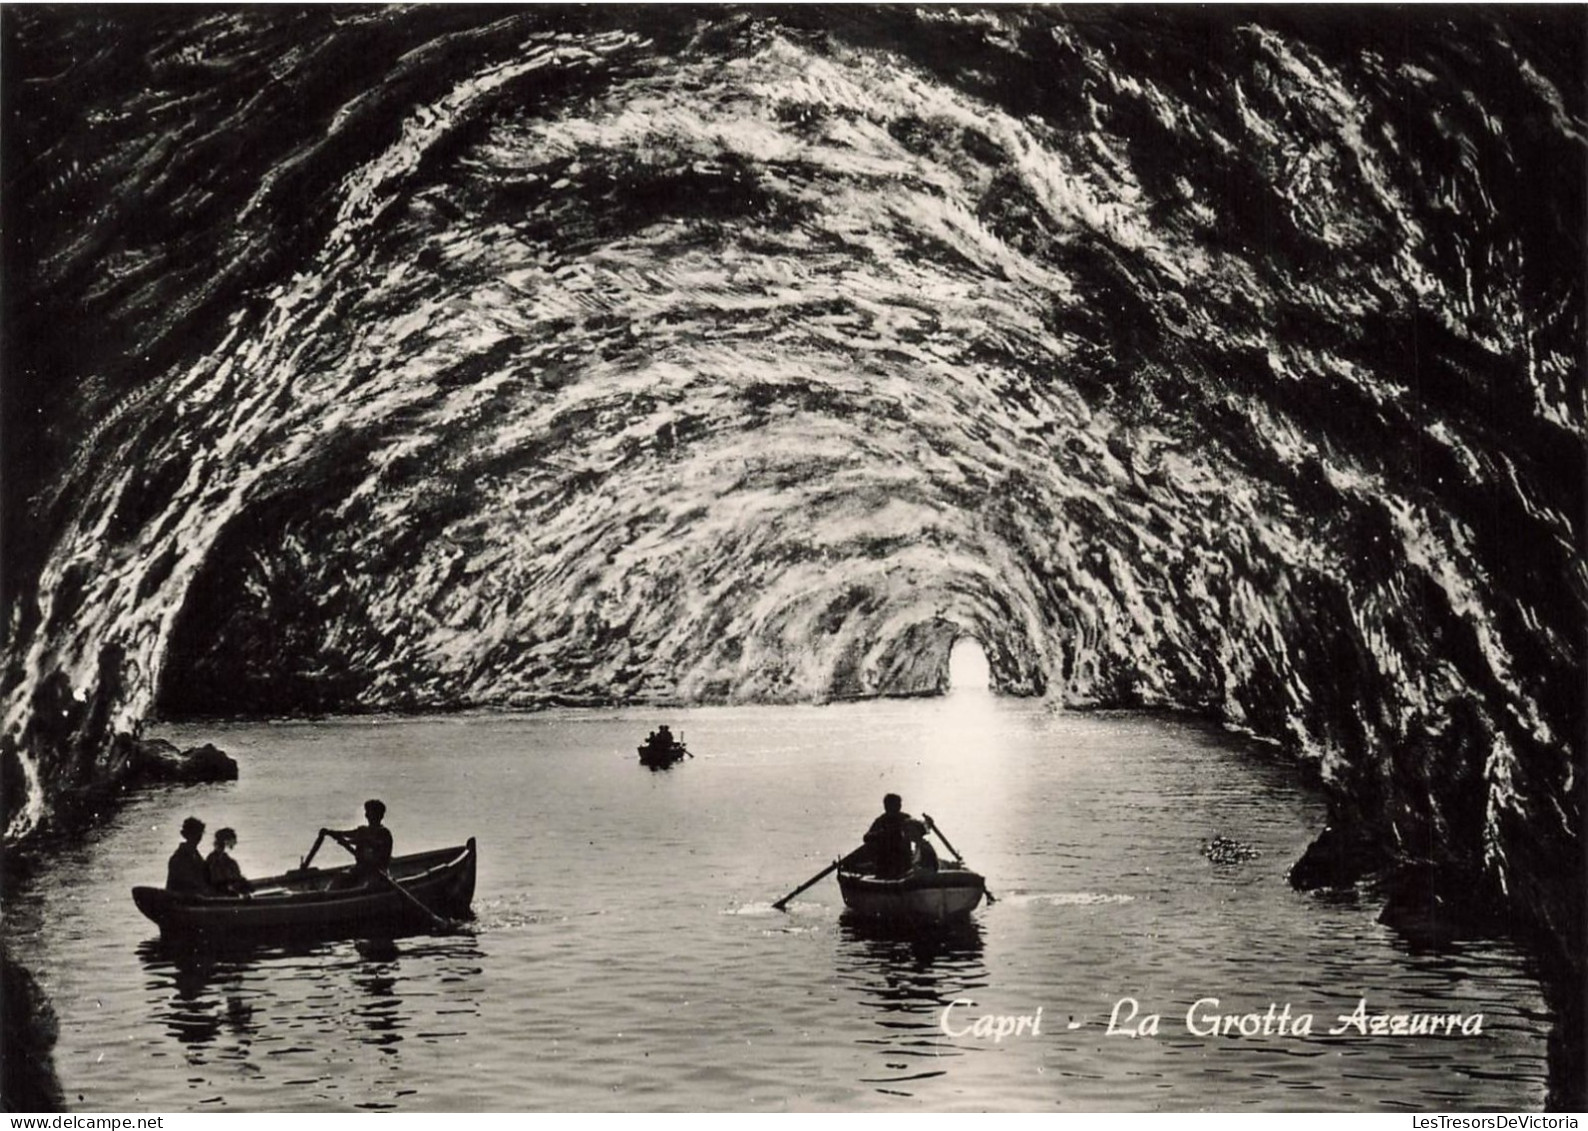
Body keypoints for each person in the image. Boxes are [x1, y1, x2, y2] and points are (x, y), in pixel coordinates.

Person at [322, 799, 394, 889]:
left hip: (378, 872)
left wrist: (349, 842)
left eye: (370, 812)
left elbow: (370, 842)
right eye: (366, 812)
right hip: (361, 869)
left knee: (370, 886)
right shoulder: (363, 830)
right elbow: (347, 834)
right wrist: (330, 832)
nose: (367, 815)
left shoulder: (384, 833)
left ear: (379, 816)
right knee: (340, 877)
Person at [863, 794, 933, 879]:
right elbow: (866, 838)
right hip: (885, 865)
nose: (899, 806)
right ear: (887, 806)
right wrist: (882, 834)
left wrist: (927, 824)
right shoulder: (881, 821)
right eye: (896, 804)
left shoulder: (905, 818)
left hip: (904, 863)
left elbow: (919, 829)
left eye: (899, 804)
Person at [165, 817, 210, 894]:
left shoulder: (197, 857)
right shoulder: (178, 857)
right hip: (183, 896)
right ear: (186, 835)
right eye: (194, 833)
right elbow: (185, 881)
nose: (198, 837)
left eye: (199, 834)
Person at [206, 828, 253, 897]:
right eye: (233, 840)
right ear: (226, 841)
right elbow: (218, 880)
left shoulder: (223, 857)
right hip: (220, 892)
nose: (235, 842)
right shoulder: (215, 859)